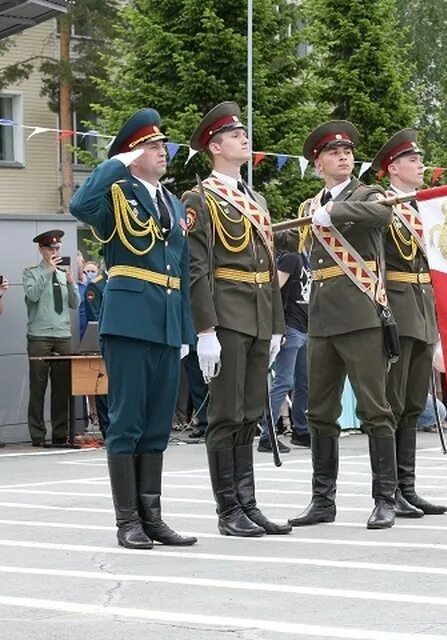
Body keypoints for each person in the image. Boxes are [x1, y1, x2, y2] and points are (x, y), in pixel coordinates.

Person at [69, 108, 196, 550]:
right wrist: (116, 163)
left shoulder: (174, 203)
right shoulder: (115, 194)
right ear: (132, 154)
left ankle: (152, 515)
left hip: (165, 322)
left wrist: (187, 333)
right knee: (127, 421)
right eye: (153, 146)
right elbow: (79, 206)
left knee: (158, 423)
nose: (163, 152)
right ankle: (127, 520)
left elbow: (181, 270)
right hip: (128, 320)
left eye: (162, 146)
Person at [181, 102, 290, 537]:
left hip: (261, 315)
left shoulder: (255, 200)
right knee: (226, 414)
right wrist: (205, 329)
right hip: (226, 316)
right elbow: (197, 267)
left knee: (249, 413)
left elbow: (270, 264)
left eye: (244, 133)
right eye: (235, 134)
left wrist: (278, 324)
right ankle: (228, 510)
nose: (245, 138)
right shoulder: (201, 197)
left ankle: (248, 504)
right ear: (215, 145)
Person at [287, 120, 398, 530]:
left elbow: (381, 216)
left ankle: (385, 498)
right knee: (319, 412)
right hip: (321, 318)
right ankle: (322, 500)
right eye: (333, 153)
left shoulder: (365, 194)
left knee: (374, 409)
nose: (343, 156)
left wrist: (336, 211)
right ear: (318, 163)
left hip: (360, 315)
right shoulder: (308, 208)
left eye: (347, 152)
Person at [371, 129, 447, 517]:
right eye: (413, 161)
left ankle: (408, 487)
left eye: (420, 160)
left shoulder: (422, 210)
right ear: (393, 169)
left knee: (415, 403)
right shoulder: (383, 206)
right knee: (394, 401)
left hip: (423, 310)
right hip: (398, 309)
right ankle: (388, 491)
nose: (420, 166)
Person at [23, 229, 79, 448]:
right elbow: (33, 295)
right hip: (39, 336)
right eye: (50, 248)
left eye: (57, 248)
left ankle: (60, 433)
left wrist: (72, 281)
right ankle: (37, 434)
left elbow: (75, 303)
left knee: (62, 387)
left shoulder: (64, 274)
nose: (54, 251)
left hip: (63, 335)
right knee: (38, 387)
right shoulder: (31, 272)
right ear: (41, 250)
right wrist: (48, 270)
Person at [257, 228, 310, 452]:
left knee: (303, 382)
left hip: (303, 325)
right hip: (291, 325)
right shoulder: (291, 258)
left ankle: (301, 429)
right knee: (284, 381)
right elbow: (274, 289)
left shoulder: (302, 258)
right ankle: (267, 433)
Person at [82, 262, 110, 436]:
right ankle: (106, 427)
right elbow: (96, 317)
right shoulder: (96, 284)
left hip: (125, 341)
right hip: (106, 340)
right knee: (104, 388)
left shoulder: (123, 280)